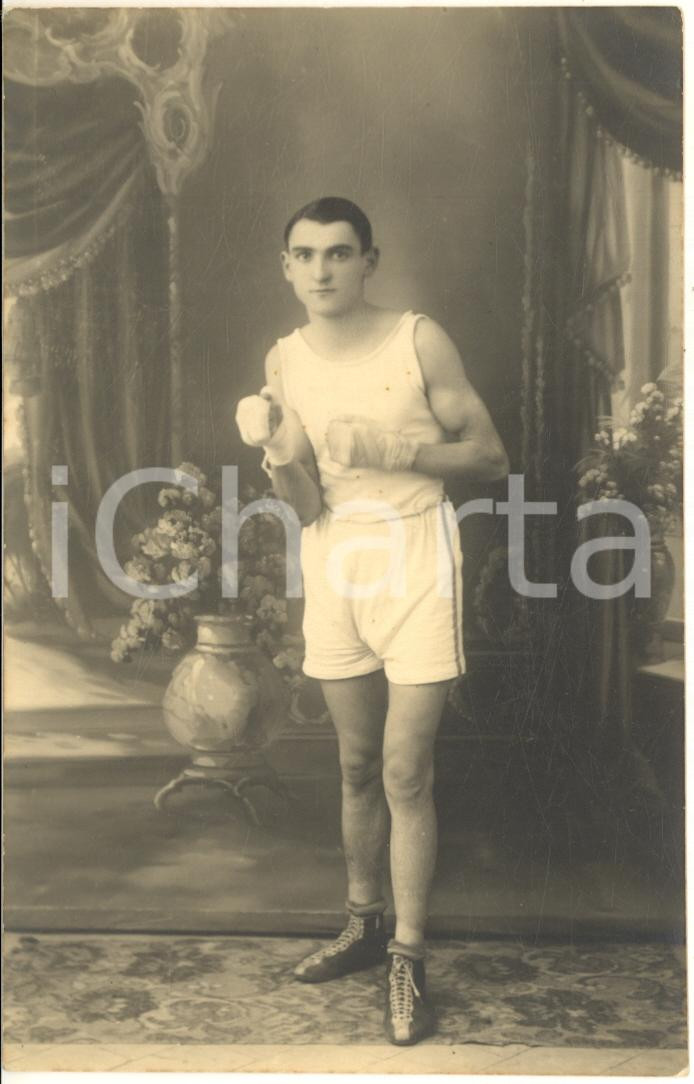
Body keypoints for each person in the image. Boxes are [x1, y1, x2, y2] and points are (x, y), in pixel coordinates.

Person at [235, 197, 508, 1045]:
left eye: (339, 253)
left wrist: (400, 451)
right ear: (286, 266)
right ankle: (362, 925)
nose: (322, 270)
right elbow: (307, 500)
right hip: (333, 556)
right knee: (355, 763)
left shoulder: (416, 339)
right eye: (305, 255)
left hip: (416, 554)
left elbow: (493, 458)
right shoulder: (284, 358)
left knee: (404, 772)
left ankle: (409, 956)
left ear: (370, 261)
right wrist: (278, 453)